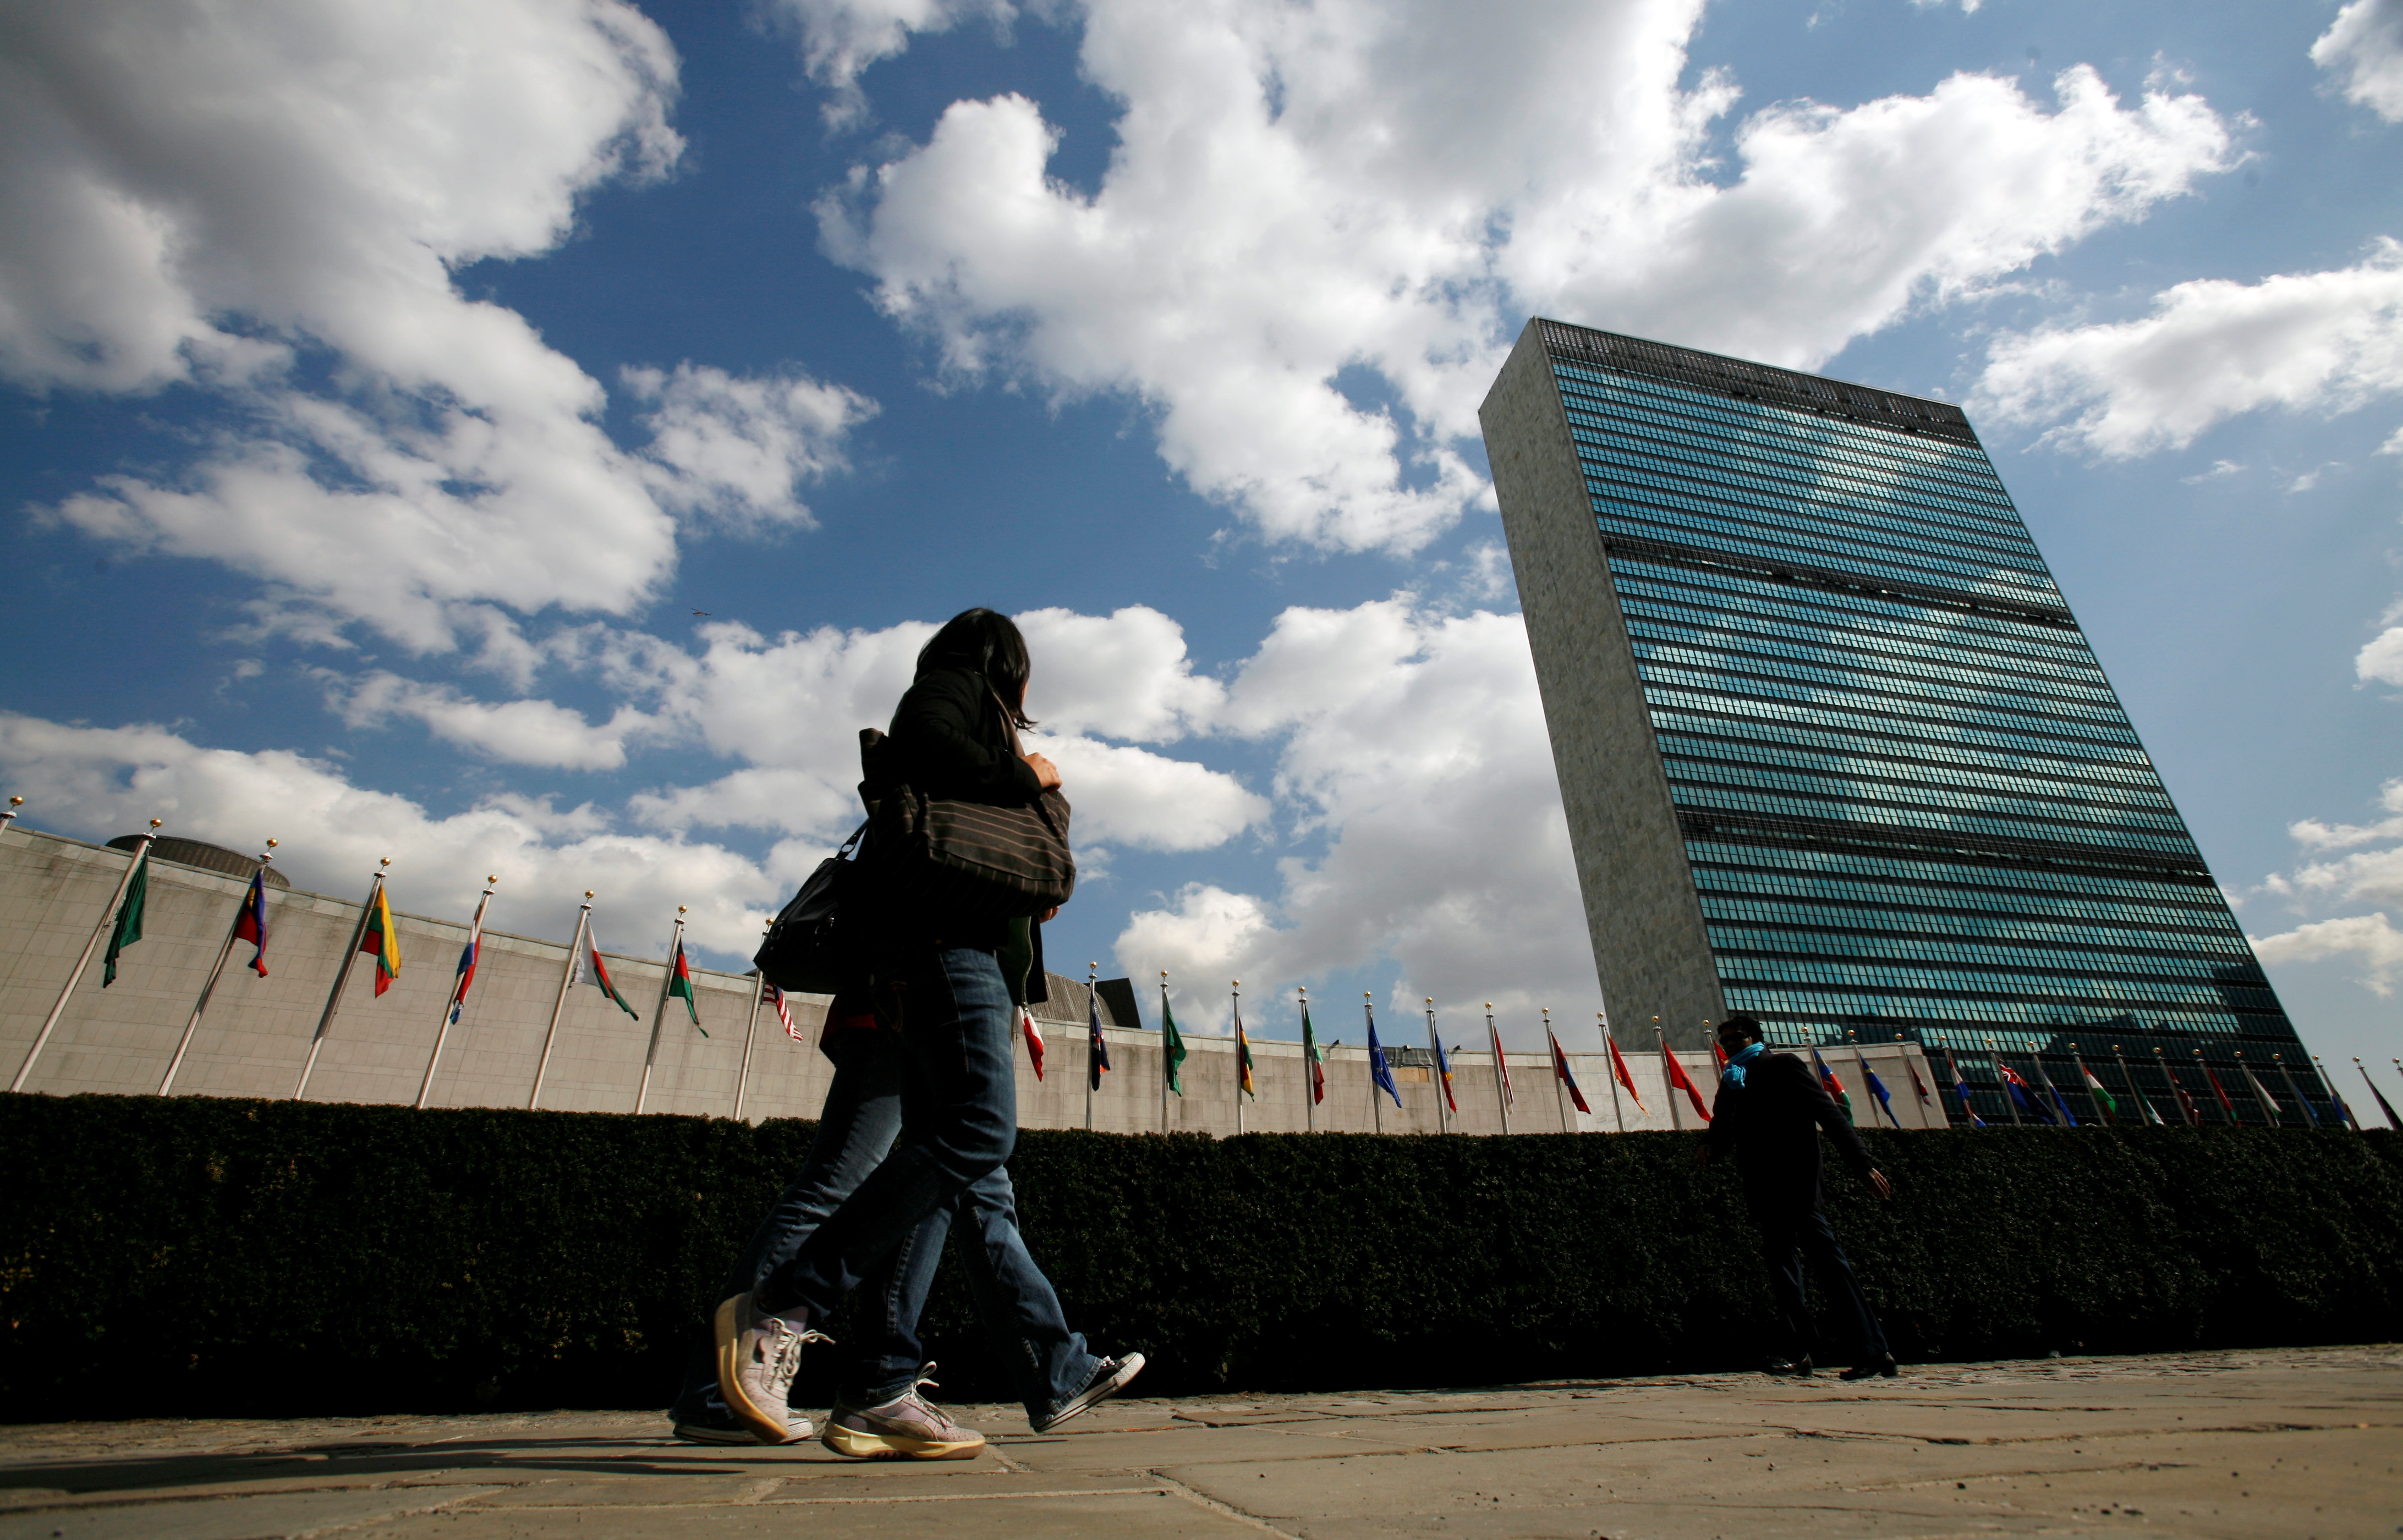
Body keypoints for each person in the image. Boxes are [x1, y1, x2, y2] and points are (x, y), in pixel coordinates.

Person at [712, 608, 1141, 1455]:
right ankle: (786, 1308)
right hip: (941, 952)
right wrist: (1030, 779)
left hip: (951, 949)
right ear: (1008, 666)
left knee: (968, 1168)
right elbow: (922, 744)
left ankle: (886, 1382)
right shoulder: (954, 689)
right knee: (969, 1135)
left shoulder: (970, 726)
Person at [667, 1004, 1144, 1449]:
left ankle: (1046, 1369)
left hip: (929, 1012)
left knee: (976, 1186)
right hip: (906, 1009)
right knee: (844, 1180)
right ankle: (735, 1377)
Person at [1694, 1014, 1898, 1381]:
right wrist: (1710, 1146)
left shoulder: (1782, 1064)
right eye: (1725, 1041)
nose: (1730, 1045)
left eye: (1737, 1038)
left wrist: (1862, 1164)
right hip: (1763, 1188)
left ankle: (1874, 1350)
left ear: (1755, 1037)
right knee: (1782, 1272)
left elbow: (1828, 1112)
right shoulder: (1732, 1079)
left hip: (1797, 1184)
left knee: (1831, 1266)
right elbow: (1723, 1125)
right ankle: (1799, 1352)